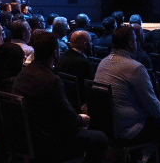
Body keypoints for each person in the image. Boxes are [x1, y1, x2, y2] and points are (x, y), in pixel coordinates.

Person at [94, 25, 160, 163]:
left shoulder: (103, 62)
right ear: (132, 43)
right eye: (135, 40)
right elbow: (153, 107)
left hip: (109, 126)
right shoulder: (135, 67)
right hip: (130, 129)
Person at [12, 32, 108, 163]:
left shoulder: (24, 72)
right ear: (55, 53)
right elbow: (69, 119)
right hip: (49, 143)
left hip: (27, 138)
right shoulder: (51, 80)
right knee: (100, 138)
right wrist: (83, 119)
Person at [56, 30, 93, 102]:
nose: (92, 44)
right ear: (85, 45)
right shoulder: (85, 64)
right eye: (90, 41)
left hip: (63, 101)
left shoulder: (60, 58)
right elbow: (90, 90)